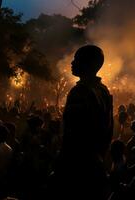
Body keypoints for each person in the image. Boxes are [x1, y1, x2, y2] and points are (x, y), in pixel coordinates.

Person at [52, 45, 113, 199]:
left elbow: (72, 133)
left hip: (77, 166)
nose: (72, 63)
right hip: (96, 161)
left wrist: (62, 164)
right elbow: (109, 128)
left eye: (77, 59)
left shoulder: (80, 92)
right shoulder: (103, 90)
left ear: (88, 64)